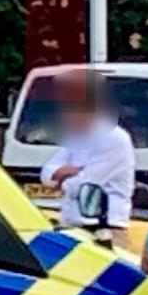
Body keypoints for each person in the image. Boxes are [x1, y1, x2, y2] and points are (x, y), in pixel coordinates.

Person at [36, 71, 137, 230]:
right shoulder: (73, 136)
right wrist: (61, 174)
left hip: (105, 226)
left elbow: (84, 185)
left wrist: (62, 178)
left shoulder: (114, 138)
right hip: (72, 222)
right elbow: (46, 174)